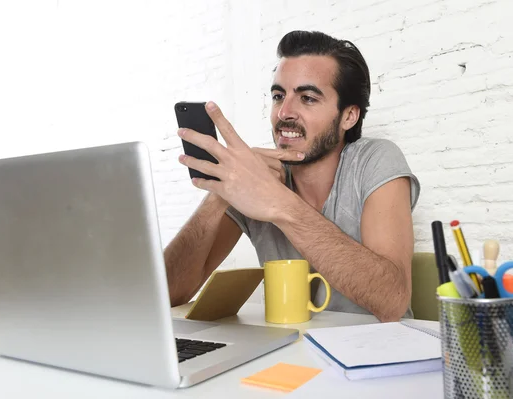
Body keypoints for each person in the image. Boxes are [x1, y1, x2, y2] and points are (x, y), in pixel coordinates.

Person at [164, 30, 420, 322]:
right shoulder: (256, 180)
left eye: (307, 98)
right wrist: (221, 192)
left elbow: (392, 302)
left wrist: (280, 204)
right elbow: (167, 296)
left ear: (349, 116)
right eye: (278, 96)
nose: (284, 112)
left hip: (377, 354)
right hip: (292, 351)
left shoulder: (375, 159)